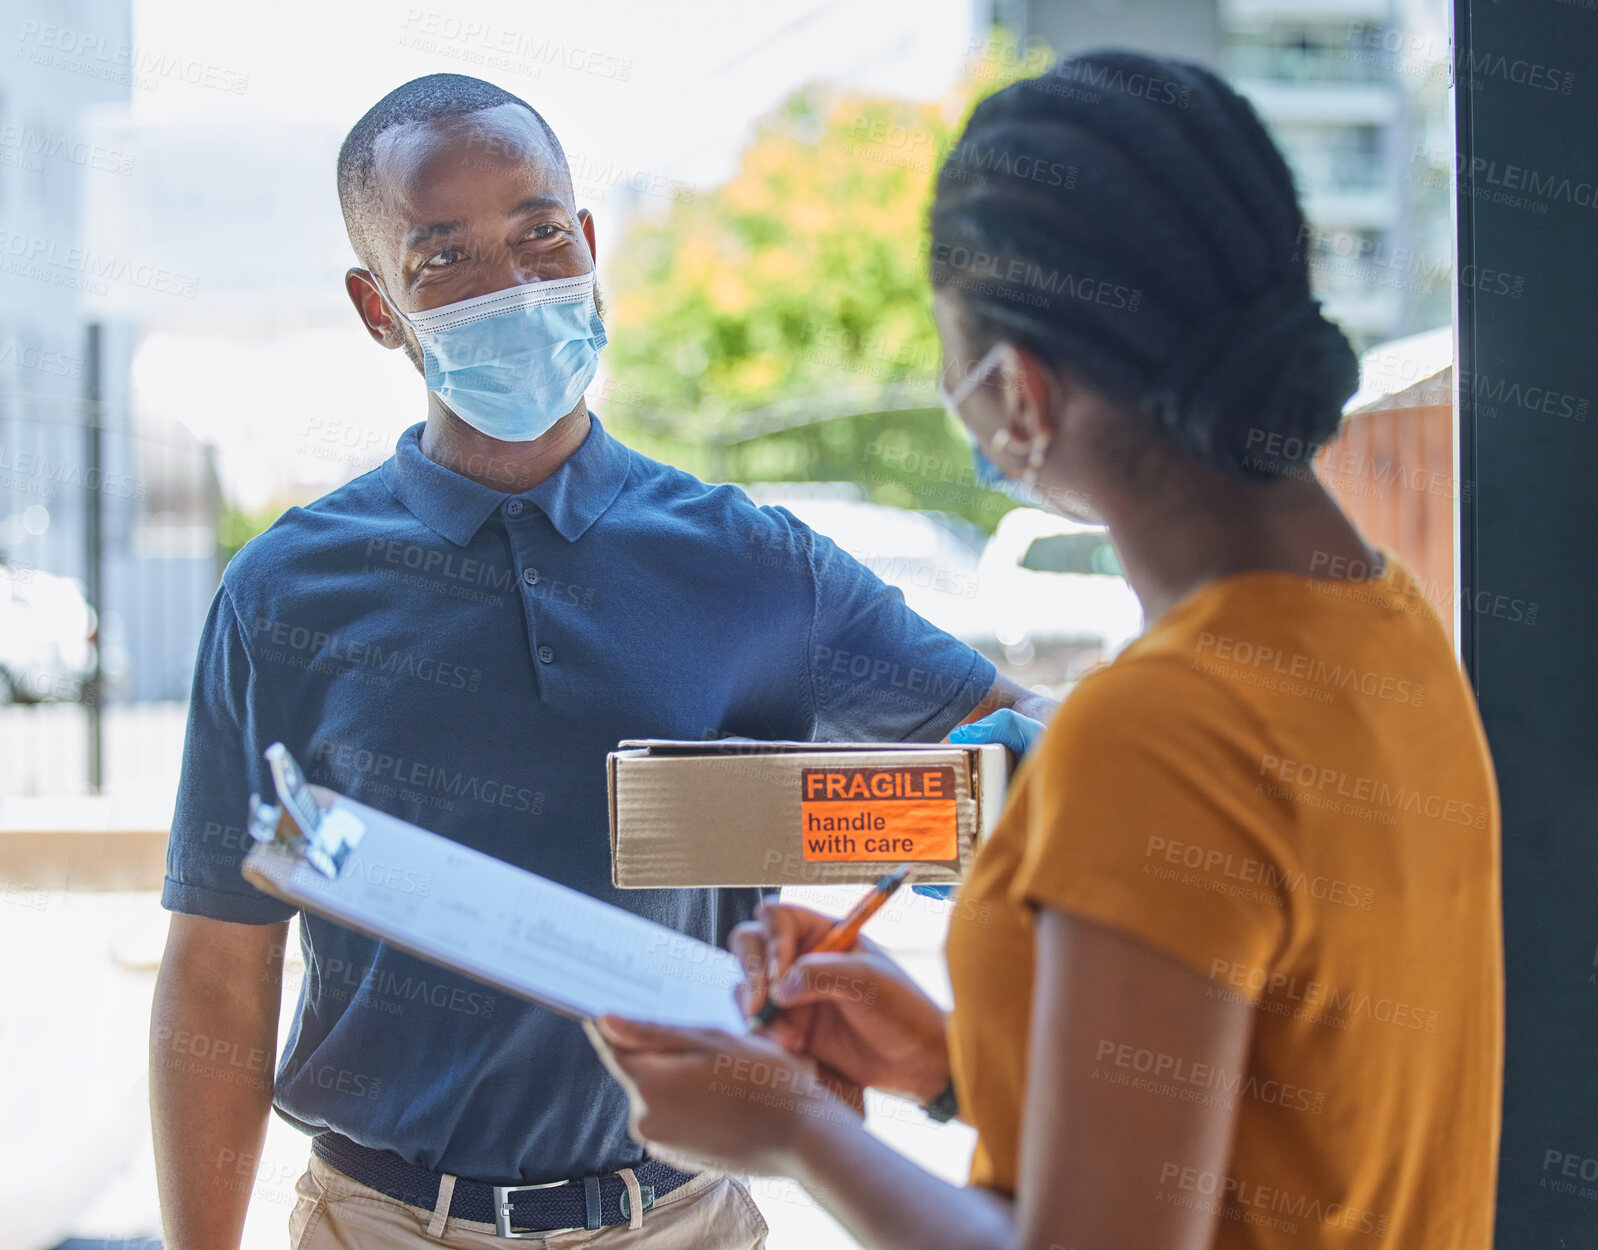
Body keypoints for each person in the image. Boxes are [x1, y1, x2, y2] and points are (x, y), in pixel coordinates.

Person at [589, 50, 1505, 1250]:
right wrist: (960, 1066)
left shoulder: (1161, 727)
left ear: (1016, 392)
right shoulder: (1392, 636)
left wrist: (798, 1133)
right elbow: (1289, 1116)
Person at [149, 73, 1052, 1250]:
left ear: (583, 243)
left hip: (681, 1215)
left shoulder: (750, 561)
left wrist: (983, 790)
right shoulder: (283, 592)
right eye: (446, 262)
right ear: (380, 309)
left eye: (536, 237)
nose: (513, 287)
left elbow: (1030, 749)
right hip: (380, 1221)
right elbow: (219, 971)